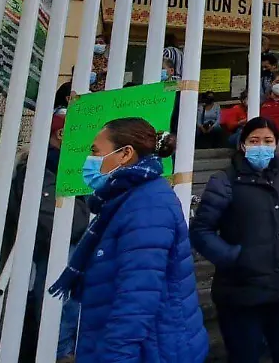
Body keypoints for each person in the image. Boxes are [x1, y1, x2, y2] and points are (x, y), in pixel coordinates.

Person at [47, 117, 207, 363]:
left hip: (153, 349)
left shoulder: (147, 205)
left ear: (125, 154)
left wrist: (117, 356)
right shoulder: (126, 198)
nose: (90, 160)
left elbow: (137, 296)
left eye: (95, 151)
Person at [191, 117, 279, 363]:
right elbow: (201, 230)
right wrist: (232, 257)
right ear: (243, 144)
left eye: (268, 140)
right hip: (241, 294)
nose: (261, 146)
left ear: (276, 144)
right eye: (254, 141)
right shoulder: (224, 181)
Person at [2, 110, 90, 361]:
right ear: (61, 134)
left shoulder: (63, 167)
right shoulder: (43, 170)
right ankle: (60, 352)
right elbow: (61, 226)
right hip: (55, 258)